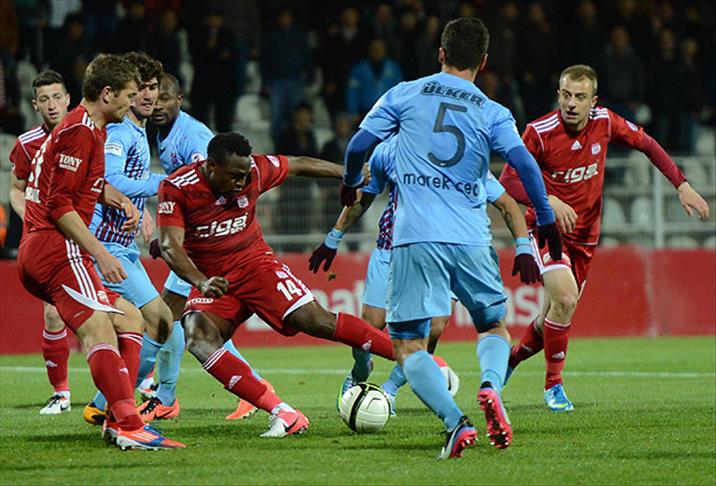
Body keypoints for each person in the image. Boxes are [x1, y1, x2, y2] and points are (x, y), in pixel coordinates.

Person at [340, 18, 561, 459]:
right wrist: (546, 218)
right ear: (484, 61)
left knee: (409, 345)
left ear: (440, 54)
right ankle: (491, 387)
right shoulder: (493, 111)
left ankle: (456, 422)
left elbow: (358, 146)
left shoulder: (404, 93)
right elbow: (524, 164)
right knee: (492, 326)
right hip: (472, 237)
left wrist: (349, 182)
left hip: (415, 237)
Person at [155, 132, 396, 438]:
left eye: (245, 176)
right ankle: (284, 413)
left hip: (256, 266)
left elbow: (298, 164)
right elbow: (170, 245)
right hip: (215, 280)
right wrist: (201, 282)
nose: (242, 183)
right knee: (199, 338)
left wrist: (347, 174)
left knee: (315, 320)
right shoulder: (177, 188)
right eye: (234, 176)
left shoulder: (254, 170)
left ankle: (409, 357)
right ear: (211, 165)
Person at [499, 64, 710, 411]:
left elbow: (647, 144)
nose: (572, 103)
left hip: (586, 237)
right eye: (566, 95)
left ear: (593, 101)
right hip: (547, 230)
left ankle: (512, 359)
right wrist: (547, 200)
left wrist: (682, 184)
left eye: (580, 97)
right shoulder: (538, 132)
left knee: (555, 313)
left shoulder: (606, 122)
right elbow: (508, 180)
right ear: (558, 95)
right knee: (565, 299)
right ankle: (554, 386)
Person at [16, 53, 184, 450]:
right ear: (107, 94)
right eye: (128, 94)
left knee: (131, 321)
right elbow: (59, 206)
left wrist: (121, 200)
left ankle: (115, 419)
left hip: (50, 248)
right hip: (56, 248)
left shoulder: (89, 129)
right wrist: (101, 253)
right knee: (99, 330)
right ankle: (128, 424)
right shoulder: (81, 132)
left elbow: (85, 187)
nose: (133, 102)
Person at [309, 135, 540, 414]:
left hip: (450, 252)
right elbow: (363, 198)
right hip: (392, 250)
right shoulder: (390, 150)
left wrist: (523, 246)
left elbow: (506, 203)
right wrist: (333, 238)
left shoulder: (465, 155)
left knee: (435, 327)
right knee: (369, 328)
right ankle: (360, 369)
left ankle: (389, 391)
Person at [149, 73, 276, 421]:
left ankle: (164, 396)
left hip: (210, 247)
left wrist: (177, 237)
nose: (157, 105)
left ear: (180, 99)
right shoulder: (164, 133)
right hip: (196, 242)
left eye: (165, 98)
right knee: (189, 321)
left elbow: (211, 193)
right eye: (153, 98)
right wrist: (169, 232)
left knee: (167, 317)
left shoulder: (192, 137)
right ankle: (171, 395)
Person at [83, 52, 179, 425]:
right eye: (140, 88)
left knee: (153, 324)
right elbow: (109, 179)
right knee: (159, 320)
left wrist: (139, 208)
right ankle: (115, 403)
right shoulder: (121, 132)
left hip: (123, 245)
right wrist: (164, 184)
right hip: (105, 246)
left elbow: (125, 183)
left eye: (153, 87)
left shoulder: (137, 129)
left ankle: (106, 403)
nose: (148, 95)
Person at [8, 70, 73, 415]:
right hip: (49, 240)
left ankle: (142, 383)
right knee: (52, 311)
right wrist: (32, 221)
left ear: (68, 99)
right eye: (44, 99)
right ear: (35, 105)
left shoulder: (86, 134)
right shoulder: (27, 143)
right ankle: (61, 393)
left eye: (57, 97)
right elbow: (16, 190)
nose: (51, 105)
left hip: (89, 236)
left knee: (120, 310)